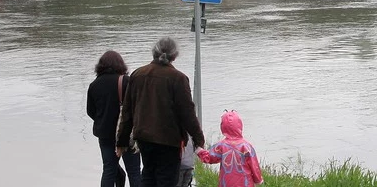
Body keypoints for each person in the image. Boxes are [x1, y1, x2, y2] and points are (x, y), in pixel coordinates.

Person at [117, 37, 205, 187]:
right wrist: (199, 140)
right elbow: (187, 114)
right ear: (174, 56)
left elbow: (127, 112)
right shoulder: (178, 78)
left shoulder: (138, 75)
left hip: (144, 138)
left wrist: (122, 141)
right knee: (167, 179)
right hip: (169, 141)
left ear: (154, 52)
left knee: (148, 175)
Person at [87, 50, 141, 187]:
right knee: (134, 172)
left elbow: (90, 111)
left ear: (101, 66)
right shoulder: (127, 82)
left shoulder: (94, 85)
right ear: (120, 64)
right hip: (127, 134)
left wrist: (103, 120)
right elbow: (138, 107)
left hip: (105, 136)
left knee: (109, 171)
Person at [197, 110, 264, 187]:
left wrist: (199, 151)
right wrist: (258, 180)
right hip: (245, 183)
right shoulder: (246, 146)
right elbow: (254, 165)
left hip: (226, 183)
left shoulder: (221, 145)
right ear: (240, 125)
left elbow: (209, 157)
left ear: (222, 127)